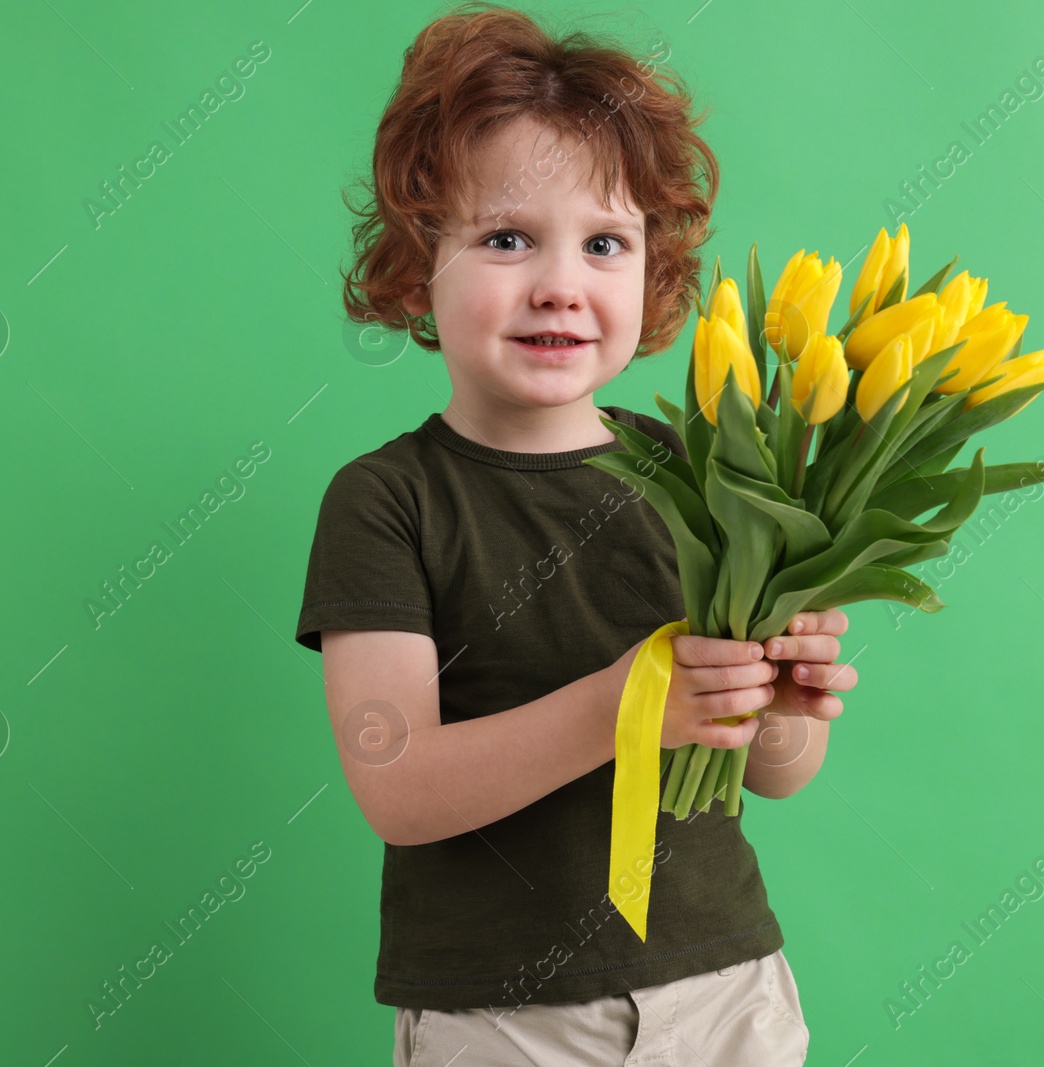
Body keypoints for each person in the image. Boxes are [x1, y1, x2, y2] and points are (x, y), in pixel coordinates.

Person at [294, 4, 856, 1063]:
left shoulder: (708, 475)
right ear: (419, 266)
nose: (559, 281)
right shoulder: (386, 500)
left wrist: (776, 702)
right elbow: (398, 785)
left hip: (727, 986)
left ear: (651, 275)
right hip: (503, 1016)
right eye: (506, 238)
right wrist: (629, 701)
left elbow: (781, 770)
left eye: (605, 242)